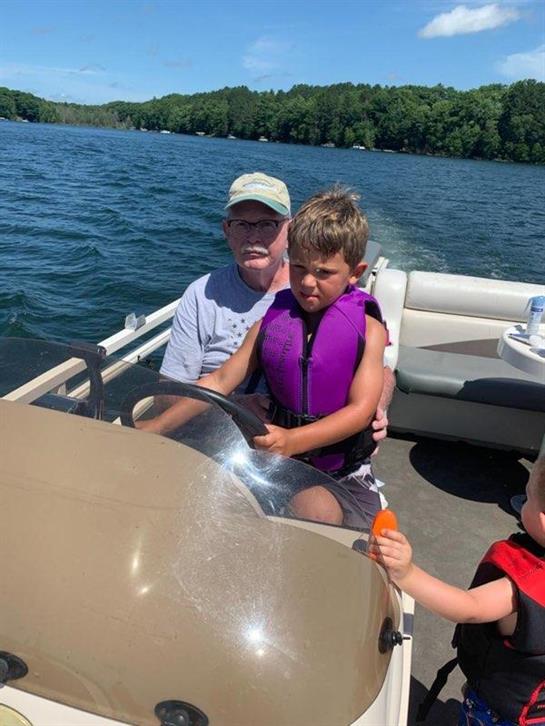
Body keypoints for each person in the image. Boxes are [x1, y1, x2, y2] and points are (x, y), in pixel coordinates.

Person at [143, 186, 387, 528]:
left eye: (324, 273)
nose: (307, 283)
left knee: (345, 530)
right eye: (299, 267)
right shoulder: (271, 323)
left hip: (339, 466)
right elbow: (219, 380)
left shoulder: (369, 330)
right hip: (279, 457)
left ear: (355, 273)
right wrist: (153, 428)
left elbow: (360, 411)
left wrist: (292, 440)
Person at [160, 171, 394, 437]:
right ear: (226, 230)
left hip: (302, 448)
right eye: (241, 224)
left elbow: (380, 372)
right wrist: (231, 409)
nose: (253, 237)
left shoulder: (325, 294)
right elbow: (168, 395)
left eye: (267, 224)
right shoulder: (201, 295)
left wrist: (375, 410)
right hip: (214, 433)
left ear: (289, 229)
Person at [370, 457, 545, 726]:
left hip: (502, 711)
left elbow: (468, 607)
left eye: (528, 498)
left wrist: (407, 573)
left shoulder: (522, 584)